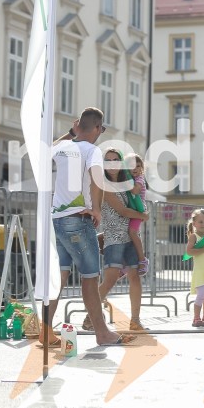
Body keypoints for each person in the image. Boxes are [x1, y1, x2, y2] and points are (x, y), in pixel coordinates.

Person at [45, 108, 132, 346]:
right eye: (101, 129)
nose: (101, 134)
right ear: (95, 127)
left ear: (78, 126)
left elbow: (47, 150)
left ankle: (45, 329)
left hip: (58, 220)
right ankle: (102, 332)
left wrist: (70, 133)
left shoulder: (63, 148)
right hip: (78, 220)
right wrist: (96, 209)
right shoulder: (92, 150)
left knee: (60, 276)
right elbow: (97, 179)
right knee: (90, 277)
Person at [84, 148, 150, 333]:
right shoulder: (104, 185)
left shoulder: (125, 183)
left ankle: (135, 320)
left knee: (135, 277)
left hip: (129, 237)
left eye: (115, 159)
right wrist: (143, 215)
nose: (112, 163)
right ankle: (90, 317)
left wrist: (139, 214)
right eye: (108, 160)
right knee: (110, 279)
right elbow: (122, 211)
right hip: (114, 237)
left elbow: (137, 197)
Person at [126, 153, 149, 275]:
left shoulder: (139, 179)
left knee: (132, 233)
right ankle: (127, 264)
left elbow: (135, 190)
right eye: (132, 166)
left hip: (139, 210)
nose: (136, 168)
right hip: (132, 210)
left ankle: (142, 259)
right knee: (127, 236)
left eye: (138, 166)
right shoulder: (131, 179)